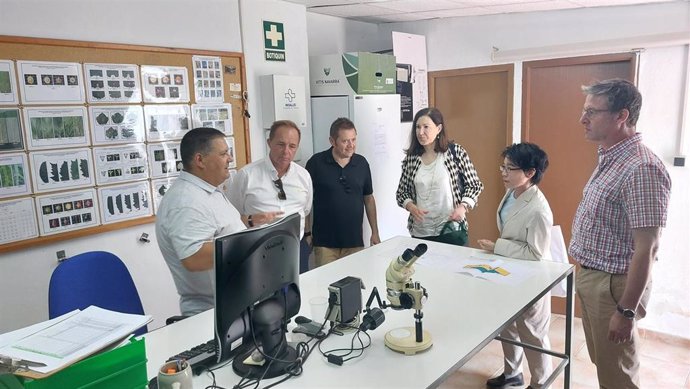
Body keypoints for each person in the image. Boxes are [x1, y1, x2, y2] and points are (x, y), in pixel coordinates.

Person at [569, 79, 671, 388]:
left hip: (612, 286)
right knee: (606, 362)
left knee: (618, 375)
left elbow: (648, 249)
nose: (582, 119)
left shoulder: (642, 168)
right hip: (591, 277)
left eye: (591, 112)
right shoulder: (610, 157)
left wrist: (626, 311)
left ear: (621, 117)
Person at [478, 143, 553, 389]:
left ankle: (541, 383)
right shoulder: (512, 192)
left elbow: (535, 253)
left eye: (510, 168)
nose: (503, 172)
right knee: (508, 326)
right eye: (503, 166)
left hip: (531, 276)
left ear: (530, 173)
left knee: (533, 333)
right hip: (509, 271)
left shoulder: (539, 209)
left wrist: (496, 246)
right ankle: (512, 373)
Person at [155, 127, 245, 317]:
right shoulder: (186, 201)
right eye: (223, 154)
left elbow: (222, 229)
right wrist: (251, 243)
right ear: (200, 160)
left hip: (234, 306)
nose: (229, 158)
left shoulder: (207, 190)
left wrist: (251, 225)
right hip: (212, 316)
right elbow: (193, 257)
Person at [226, 120, 313, 273]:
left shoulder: (303, 176)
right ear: (269, 142)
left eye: (292, 146)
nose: (286, 151)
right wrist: (253, 220)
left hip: (295, 250)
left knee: (298, 294)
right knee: (263, 297)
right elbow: (230, 218)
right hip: (257, 253)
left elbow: (305, 210)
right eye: (280, 144)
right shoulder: (247, 175)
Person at [396, 107, 483, 244]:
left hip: (451, 228)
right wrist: (411, 206)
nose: (421, 132)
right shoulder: (412, 158)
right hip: (421, 231)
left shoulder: (455, 152)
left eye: (426, 127)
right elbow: (401, 192)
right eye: (417, 127)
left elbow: (475, 185)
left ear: (439, 128)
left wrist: (463, 207)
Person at [305, 117, 380, 267]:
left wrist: (375, 232)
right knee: (327, 287)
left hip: (354, 243)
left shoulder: (362, 163)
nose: (351, 145)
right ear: (332, 141)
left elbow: (369, 198)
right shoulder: (316, 163)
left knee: (355, 286)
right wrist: (307, 232)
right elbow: (305, 201)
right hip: (324, 244)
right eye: (345, 141)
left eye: (353, 140)